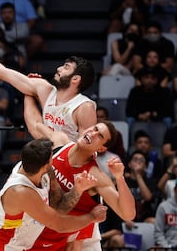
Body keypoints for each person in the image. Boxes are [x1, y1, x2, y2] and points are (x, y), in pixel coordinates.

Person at [23, 95, 135, 251]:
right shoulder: (60, 142)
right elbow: (34, 124)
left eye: (100, 136)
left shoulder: (96, 175)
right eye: (95, 128)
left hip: (80, 237)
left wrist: (119, 177)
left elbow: (128, 214)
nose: (93, 133)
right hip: (47, 227)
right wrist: (29, 93)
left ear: (101, 148)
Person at [0, 138, 108, 250]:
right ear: (46, 165)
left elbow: (60, 207)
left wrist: (78, 189)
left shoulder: (39, 170)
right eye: (52, 156)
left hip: (16, 246)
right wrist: (91, 217)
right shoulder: (21, 191)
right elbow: (59, 224)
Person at [0, 41, 97, 142]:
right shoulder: (45, 89)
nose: (59, 68)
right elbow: (3, 72)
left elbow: (87, 148)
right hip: (47, 155)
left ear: (76, 79)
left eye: (66, 67)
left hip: (69, 165)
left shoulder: (84, 106)